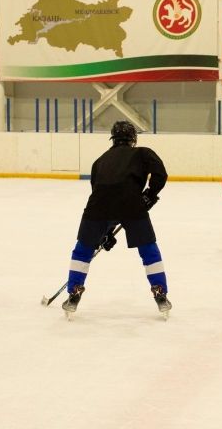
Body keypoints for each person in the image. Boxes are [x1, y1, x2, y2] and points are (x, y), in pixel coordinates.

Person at [61, 120, 172, 319]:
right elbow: (160, 173)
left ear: (113, 138)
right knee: (148, 249)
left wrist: (104, 232)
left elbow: (103, 193)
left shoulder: (100, 160)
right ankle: (159, 291)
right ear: (133, 139)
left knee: (83, 249)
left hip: (97, 206)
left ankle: (74, 290)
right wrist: (150, 194)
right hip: (132, 204)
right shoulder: (142, 153)